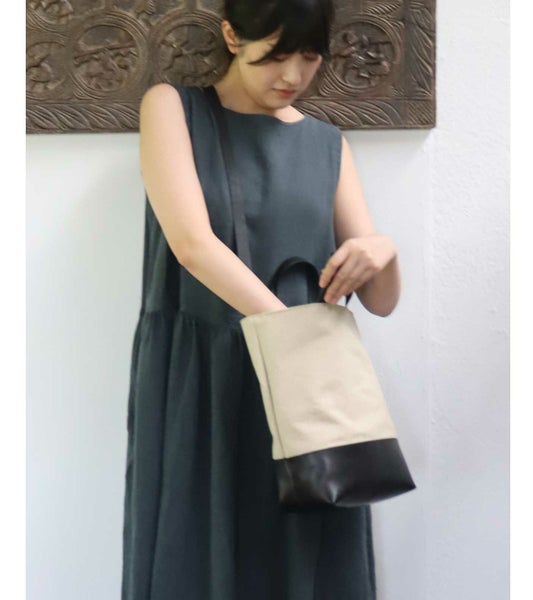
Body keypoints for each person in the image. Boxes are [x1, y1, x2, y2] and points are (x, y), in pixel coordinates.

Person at [121, 0, 401, 598]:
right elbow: (193, 245)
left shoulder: (327, 143)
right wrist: (291, 338)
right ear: (231, 35)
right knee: (198, 552)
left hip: (309, 388)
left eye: (309, 57)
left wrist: (383, 250)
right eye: (275, 55)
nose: (292, 76)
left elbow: (380, 301)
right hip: (207, 373)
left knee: (307, 557)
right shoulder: (172, 107)